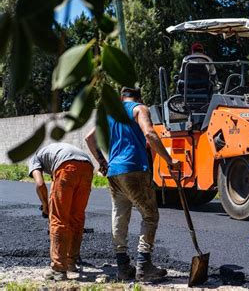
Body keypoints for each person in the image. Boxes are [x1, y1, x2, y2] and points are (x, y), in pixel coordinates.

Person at [85, 87, 180, 282]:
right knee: (150, 215)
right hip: (134, 169)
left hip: (114, 172)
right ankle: (144, 266)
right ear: (139, 97)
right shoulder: (139, 109)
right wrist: (170, 161)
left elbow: (89, 137)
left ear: (121, 98)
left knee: (119, 215)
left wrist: (102, 162)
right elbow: (150, 134)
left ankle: (122, 267)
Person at [28, 142, 93, 281]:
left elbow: (40, 184)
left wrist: (46, 205)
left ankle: (58, 269)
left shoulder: (34, 159)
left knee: (58, 219)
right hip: (87, 167)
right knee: (77, 219)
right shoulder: (54, 150)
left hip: (66, 168)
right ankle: (71, 262)